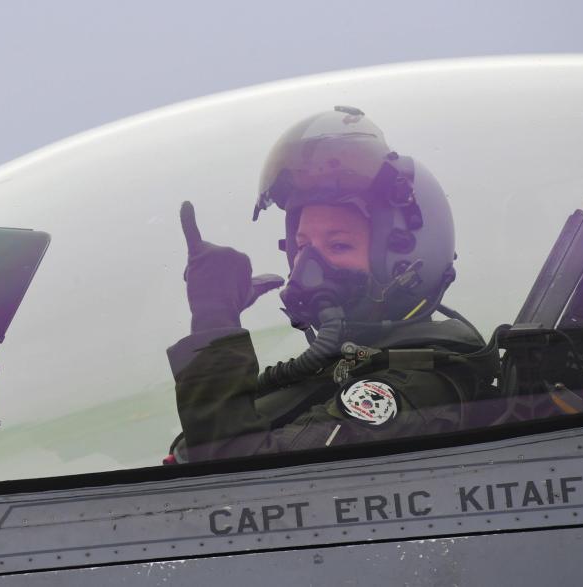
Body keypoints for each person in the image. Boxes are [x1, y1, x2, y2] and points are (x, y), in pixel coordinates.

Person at [166, 106, 495, 463]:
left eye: (339, 245)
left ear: (406, 260)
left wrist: (215, 323)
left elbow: (244, 484)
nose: (307, 265)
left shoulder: (414, 387)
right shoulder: (351, 365)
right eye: (303, 246)